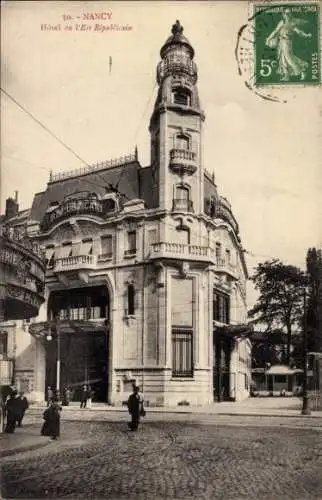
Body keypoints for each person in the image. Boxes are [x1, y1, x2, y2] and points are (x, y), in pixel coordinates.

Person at [265, 8, 312, 82]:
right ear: (283, 14)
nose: (288, 15)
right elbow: (275, 31)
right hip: (281, 42)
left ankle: (302, 70)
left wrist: (306, 35)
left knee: (289, 58)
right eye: (286, 13)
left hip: (287, 42)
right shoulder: (281, 22)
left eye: (289, 13)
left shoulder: (292, 23)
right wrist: (268, 39)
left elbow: (299, 32)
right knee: (282, 59)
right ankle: (286, 76)